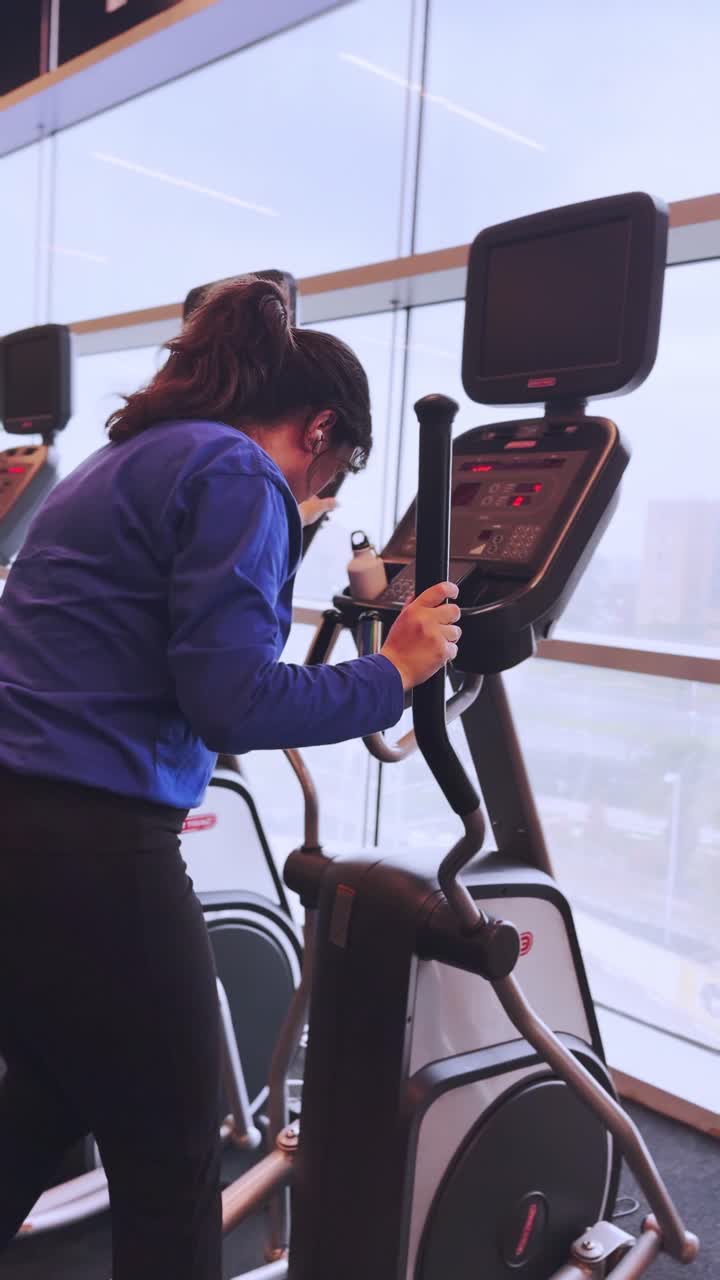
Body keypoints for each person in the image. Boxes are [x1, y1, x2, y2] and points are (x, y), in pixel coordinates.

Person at [0, 276, 461, 1279]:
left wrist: (286, 543)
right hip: (96, 850)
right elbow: (235, 701)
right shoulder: (238, 472)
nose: (308, 491)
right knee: (172, 1160)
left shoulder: (133, 457)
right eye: (324, 471)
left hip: (18, 829)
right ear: (321, 427)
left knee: (44, 1101)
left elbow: (155, 629)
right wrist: (396, 670)